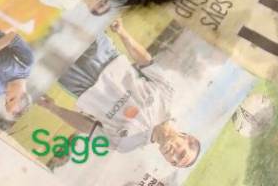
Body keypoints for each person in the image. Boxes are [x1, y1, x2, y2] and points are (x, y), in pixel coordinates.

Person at [38, 19, 200, 168]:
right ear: (188, 139)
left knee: (36, 44)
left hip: (77, 82)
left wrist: (54, 109)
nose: (173, 156)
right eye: (181, 153)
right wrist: (122, 32)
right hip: (103, 54)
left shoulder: (125, 145)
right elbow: (145, 61)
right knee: (60, 16)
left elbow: (88, 127)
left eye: (174, 162)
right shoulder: (167, 95)